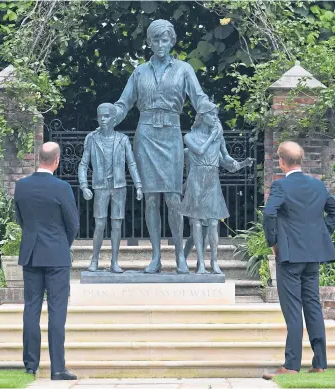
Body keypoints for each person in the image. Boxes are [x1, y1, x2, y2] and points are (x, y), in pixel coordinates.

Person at [114, 19, 213, 274]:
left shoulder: (184, 69)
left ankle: (180, 254)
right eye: (155, 40)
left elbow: (199, 98)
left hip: (170, 134)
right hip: (146, 135)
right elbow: (123, 103)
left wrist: (211, 115)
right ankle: (156, 256)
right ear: (149, 42)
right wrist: (109, 117)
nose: (160, 44)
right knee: (150, 199)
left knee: (172, 198)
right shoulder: (139, 72)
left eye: (165, 39)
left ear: (172, 41)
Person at [261, 141, 335, 380]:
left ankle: (291, 365)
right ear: (301, 160)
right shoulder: (317, 185)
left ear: (281, 161)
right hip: (312, 256)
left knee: (293, 310)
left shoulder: (281, 186)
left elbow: (269, 213)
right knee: (313, 306)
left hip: (289, 256)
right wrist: (321, 234)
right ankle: (320, 363)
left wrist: (273, 242)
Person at [14, 142, 79, 381]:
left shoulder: (21, 186)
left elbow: (20, 219)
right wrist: (62, 243)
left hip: (31, 254)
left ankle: (30, 365)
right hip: (56, 256)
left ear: (38, 158)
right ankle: (58, 368)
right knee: (56, 311)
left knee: (31, 309)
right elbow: (73, 224)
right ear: (57, 160)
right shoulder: (62, 188)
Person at [182, 112, 254, 271]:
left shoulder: (218, 139)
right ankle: (200, 263)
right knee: (197, 224)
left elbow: (226, 159)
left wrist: (240, 164)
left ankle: (214, 261)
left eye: (216, 116)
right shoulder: (189, 137)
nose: (215, 117)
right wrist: (212, 136)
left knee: (213, 223)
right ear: (201, 117)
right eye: (211, 115)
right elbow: (200, 151)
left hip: (212, 180)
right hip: (196, 180)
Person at [78, 103, 143, 273]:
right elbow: (83, 164)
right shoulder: (92, 139)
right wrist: (84, 186)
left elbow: (132, 163)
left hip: (119, 186)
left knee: (116, 225)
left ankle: (114, 262)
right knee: (99, 225)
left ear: (114, 119)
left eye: (106, 116)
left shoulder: (122, 139)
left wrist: (138, 185)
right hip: (100, 187)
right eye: (100, 116)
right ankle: (95, 260)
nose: (103, 119)